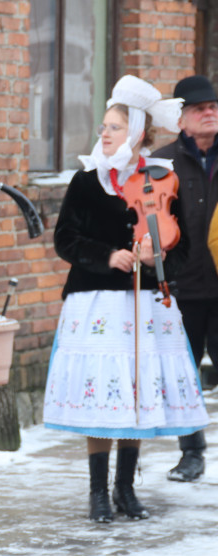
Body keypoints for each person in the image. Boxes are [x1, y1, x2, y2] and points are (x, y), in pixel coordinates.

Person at [42, 75, 209, 524]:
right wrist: (106, 255)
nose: (105, 134)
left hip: (145, 304)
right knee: (103, 403)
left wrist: (157, 262)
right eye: (103, 127)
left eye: (114, 127)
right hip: (96, 303)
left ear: (136, 133)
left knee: (134, 396)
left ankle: (125, 489)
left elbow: (186, 248)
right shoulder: (86, 180)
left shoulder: (161, 179)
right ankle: (98, 493)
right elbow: (65, 240)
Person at [154, 75, 218, 483]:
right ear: (181, 120)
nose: (210, 112)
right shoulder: (162, 163)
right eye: (199, 108)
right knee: (185, 376)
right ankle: (191, 453)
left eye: (213, 106)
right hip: (185, 288)